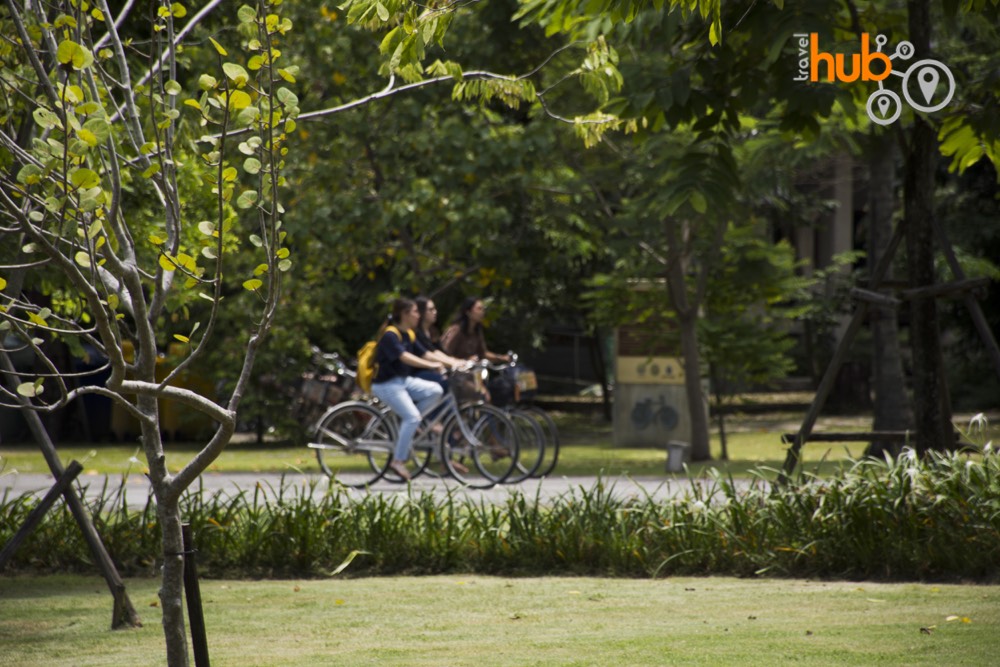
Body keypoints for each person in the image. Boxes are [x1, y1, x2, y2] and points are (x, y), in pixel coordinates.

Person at [370, 298, 458, 480]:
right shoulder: (390, 335)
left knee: (435, 390)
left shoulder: (408, 334)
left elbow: (427, 353)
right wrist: (432, 366)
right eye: (415, 312)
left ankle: (416, 425)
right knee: (412, 417)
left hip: (403, 381)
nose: (419, 315)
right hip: (386, 385)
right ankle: (398, 461)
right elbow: (404, 357)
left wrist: (454, 363)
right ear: (404, 314)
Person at [440, 297, 512, 364]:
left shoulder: (477, 331)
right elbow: (444, 353)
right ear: (468, 312)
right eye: (479, 309)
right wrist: (465, 361)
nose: (482, 312)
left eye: (483, 309)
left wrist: (501, 358)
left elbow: (483, 353)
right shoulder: (456, 330)